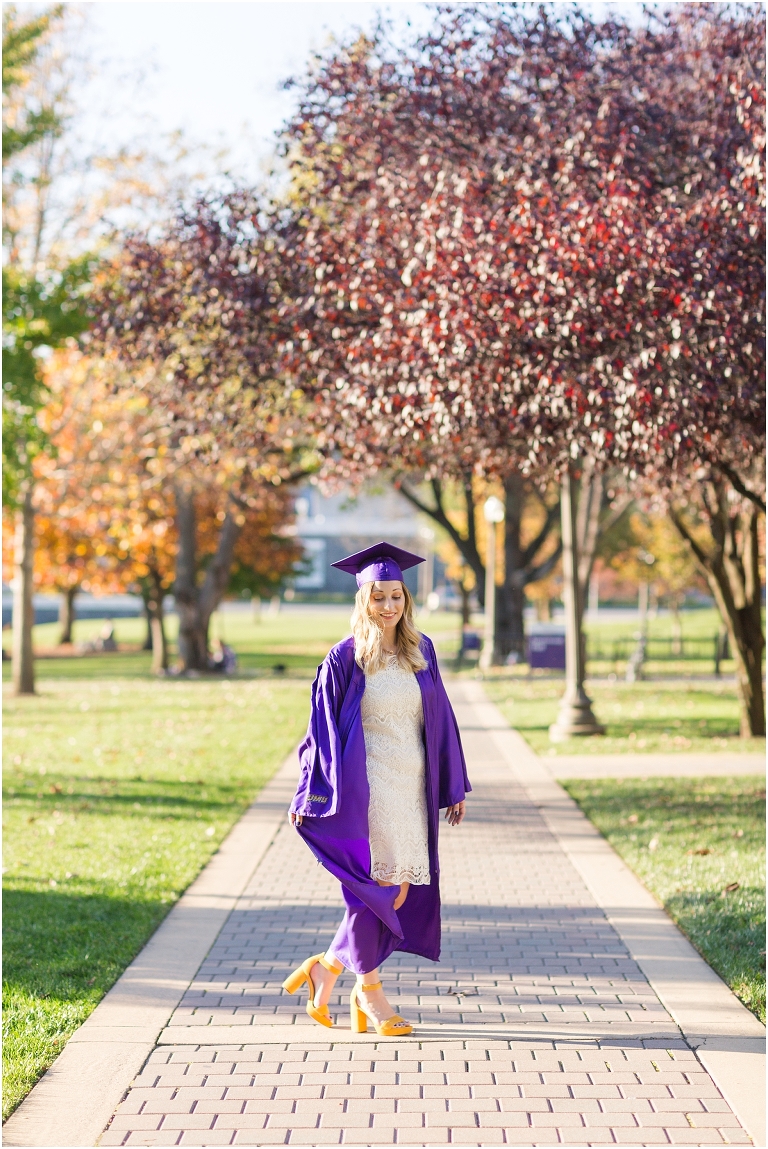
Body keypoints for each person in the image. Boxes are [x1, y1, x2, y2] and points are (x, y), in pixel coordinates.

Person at [284, 542, 470, 1036]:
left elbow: (442, 719)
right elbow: (320, 732)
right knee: (378, 889)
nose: (388, 606)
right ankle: (370, 993)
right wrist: (308, 791)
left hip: (413, 786)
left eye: (396, 596)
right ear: (363, 600)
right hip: (368, 789)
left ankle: (326, 969)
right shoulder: (345, 658)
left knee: (397, 891)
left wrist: (453, 783)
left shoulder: (421, 650)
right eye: (378, 597)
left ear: (407, 598)